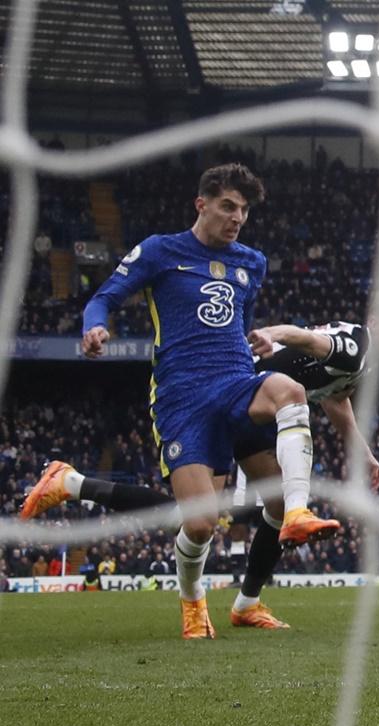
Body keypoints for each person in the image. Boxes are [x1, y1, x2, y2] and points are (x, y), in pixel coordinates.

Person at [21, 293, 379, 628]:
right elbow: (304, 337)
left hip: (255, 410)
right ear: (374, 319)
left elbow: (336, 396)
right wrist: (271, 332)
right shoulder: (356, 346)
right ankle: (70, 483)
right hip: (230, 401)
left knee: (276, 507)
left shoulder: (362, 360)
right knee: (196, 518)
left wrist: (363, 452)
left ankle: (247, 604)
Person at [67, 163, 338, 639]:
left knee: (290, 394)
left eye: (244, 210)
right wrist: (95, 326)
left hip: (236, 381)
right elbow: (104, 297)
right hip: (184, 397)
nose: (237, 217)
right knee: (200, 524)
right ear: (202, 204)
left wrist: (255, 342)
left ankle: (295, 516)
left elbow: (236, 317)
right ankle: (193, 604)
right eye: (228, 206)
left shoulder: (251, 261)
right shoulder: (160, 251)